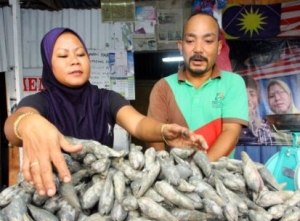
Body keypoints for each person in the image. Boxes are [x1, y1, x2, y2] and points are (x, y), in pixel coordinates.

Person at [4, 27, 208, 197]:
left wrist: (163, 130)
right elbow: (12, 127)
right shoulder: (40, 102)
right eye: (63, 55)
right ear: (49, 64)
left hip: (102, 192)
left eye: (81, 54)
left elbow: (137, 124)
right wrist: (28, 123)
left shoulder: (107, 99)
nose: (75, 60)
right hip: (53, 194)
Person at [147, 12, 248, 161]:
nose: (198, 49)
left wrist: (202, 170)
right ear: (180, 46)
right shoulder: (163, 87)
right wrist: (166, 170)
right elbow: (153, 135)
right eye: (190, 41)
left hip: (221, 176)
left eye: (208, 41)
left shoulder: (233, 83)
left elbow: (231, 132)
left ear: (219, 47)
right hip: (176, 178)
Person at [239, 75, 273, 145]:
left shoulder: (264, 126)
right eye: (243, 94)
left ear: (258, 99)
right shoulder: (229, 125)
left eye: (252, 94)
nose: (248, 99)